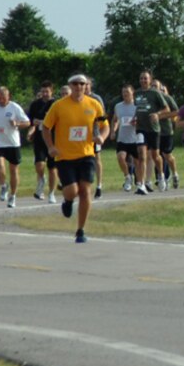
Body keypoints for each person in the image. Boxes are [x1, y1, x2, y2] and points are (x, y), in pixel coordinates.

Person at [42, 73, 109, 241]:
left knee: (85, 191)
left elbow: (105, 125)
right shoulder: (59, 106)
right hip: (64, 156)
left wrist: (102, 137)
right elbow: (45, 128)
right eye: (75, 84)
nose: (79, 87)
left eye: (82, 84)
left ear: (86, 86)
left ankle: (80, 230)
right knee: (72, 191)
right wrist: (51, 147)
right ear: (70, 86)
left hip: (86, 154)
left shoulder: (94, 104)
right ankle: (68, 200)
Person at [0, 85, 33, 206]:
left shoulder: (15, 107)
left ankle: (13, 195)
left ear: (8, 96)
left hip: (12, 143)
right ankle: (3, 185)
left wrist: (16, 123)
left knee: (13, 170)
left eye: (3, 98)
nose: (1, 100)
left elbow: (27, 122)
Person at [134, 71, 176, 192]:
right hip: (140, 128)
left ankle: (161, 175)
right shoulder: (136, 93)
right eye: (141, 78)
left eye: (145, 79)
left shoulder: (155, 93)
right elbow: (136, 109)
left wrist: (157, 114)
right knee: (142, 155)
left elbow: (166, 108)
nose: (143, 81)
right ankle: (141, 184)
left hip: (153, 128)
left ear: (150, 80)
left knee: (155, 155)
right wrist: (134, 118)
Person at [113, 84, 149, 192]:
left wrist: (137, 122)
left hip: (135, 138)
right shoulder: (118, 106)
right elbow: (115, 119)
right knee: (120, 157)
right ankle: (128, 177)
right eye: (123, 92)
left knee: (138, 162)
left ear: (132, 93)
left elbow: (145, 120)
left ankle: (139, 182)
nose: (125, 94)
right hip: (122, 138)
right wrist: (113, 130)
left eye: (127, 92)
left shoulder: (138, 106)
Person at [27, 83, 58, 198]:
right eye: (43, 91)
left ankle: (51, 193)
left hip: (53, 139)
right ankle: (41, 179)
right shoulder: (35, 104)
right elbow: (30, 120)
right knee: (39, 164)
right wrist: (32, 126)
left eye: (47, 91)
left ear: (52, 92)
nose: (45, 94)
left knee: (52, 167)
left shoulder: (56, 104)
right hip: (39, 138)